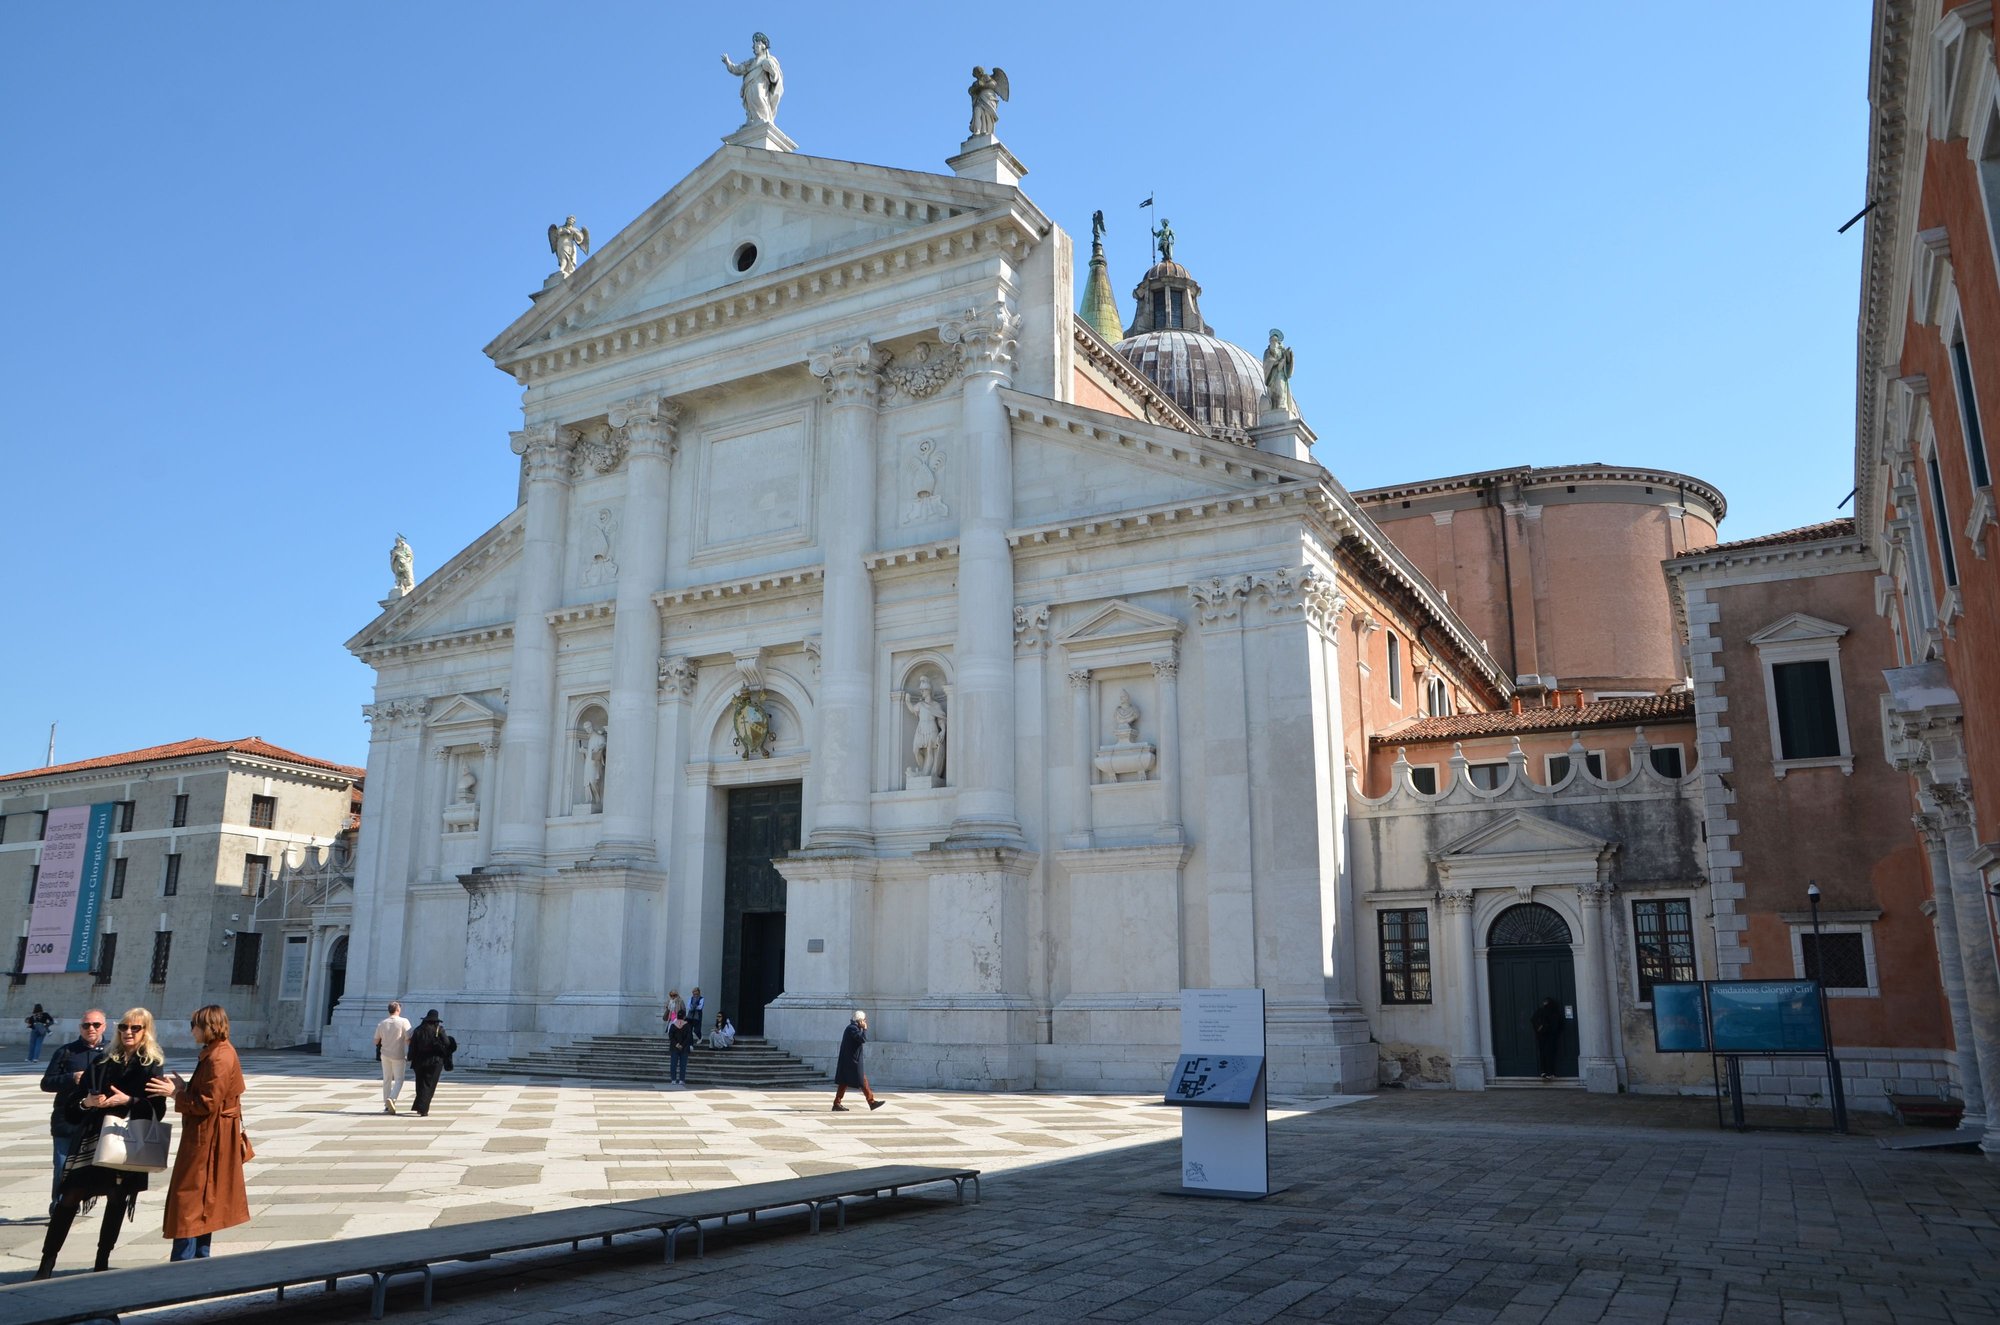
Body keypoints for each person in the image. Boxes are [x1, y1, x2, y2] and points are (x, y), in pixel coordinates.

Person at [35, 1007, 170, 1278]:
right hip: (92, 1138)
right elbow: (73, 1107)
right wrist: (87, 1102)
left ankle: (101, 1261)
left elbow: (158, 1110)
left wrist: (128, 1101)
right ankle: (46, 1263)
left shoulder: (151, 1066)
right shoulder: (103, 1061)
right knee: (69, 1197)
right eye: (123, 1027)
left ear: (146, 1032)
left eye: (135, 1028)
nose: (128, 1032)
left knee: (117, 1198)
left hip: (125, 1140)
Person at [148, 1005, 251, 1261]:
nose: (191, 1031)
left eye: (193, 1025)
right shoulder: (216, 1052)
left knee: (189, 1199)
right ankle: (199, 1258)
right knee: (202, 1201)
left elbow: (207, 1103)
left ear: (207, 1027)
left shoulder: (219, 1057)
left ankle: (183, 1263)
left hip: (208, 1139)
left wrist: (175, 1094)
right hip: (209, 1136)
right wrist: (185, 1087)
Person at [40, 1009, 108, 1207]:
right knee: (62, 1165)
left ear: (104, 1026)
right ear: (80, 1028)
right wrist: (71, 1078)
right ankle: (60, 1204)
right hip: (67, 1118)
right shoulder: (66, 1051)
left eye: (96, 1025)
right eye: (86, 1025)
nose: (91, 1029)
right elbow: (47, 1083)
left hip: (96, 1118)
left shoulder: (111, 1052)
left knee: (92, 1165)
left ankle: (81, 1198)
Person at [721, 33, 783, 127]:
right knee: (751, 103)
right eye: (754, 45)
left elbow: (776, 76)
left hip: (760, 85)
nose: (754, 47)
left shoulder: (769, 59)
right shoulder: (750, 62)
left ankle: (764, 118)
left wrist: (770, 68)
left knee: (759, 97)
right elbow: (738, 69)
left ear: (764, 46)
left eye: (757, 45)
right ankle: (752, 120)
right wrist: (728, 63)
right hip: (748, 86)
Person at [407, 1010, 457, 1118]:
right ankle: (423, 1109)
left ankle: (419, 1106)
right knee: (429, 1085)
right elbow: (447, 1043)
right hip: (435, 1061)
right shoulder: (439, 1030)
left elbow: (412, 1046)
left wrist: (410, 1057)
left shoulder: (418, 1030)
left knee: (420, 1084)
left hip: (419, 1061)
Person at [830, 1010, 883, 1112]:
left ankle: (837, 1103)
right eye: (864, 1020)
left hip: (849, 1061)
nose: (865, 1021)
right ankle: (871, 1102)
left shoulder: (852, 1028)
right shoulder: (852, 1029)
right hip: (852, 1062)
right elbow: (862, 1039)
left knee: (844, 1082)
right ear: (860, 1020)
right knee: (862, 1081)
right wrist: (865, 1029)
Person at [373, 1001, 412, 1115]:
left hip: (385, 1054)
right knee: (399, 1079)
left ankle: (386, 1104)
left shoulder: (382, 1023)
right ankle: (392, 1098)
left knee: (387, 1079)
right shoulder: (404, 1022)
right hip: (398, 1054)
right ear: (398, 1010)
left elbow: (376, 1041)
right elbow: (408, 1039)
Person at [1530, 997, 1564, 1082]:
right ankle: (1549, 1072)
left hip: (1543, 1037)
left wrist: (1539, 1029)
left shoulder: (1541, 1011)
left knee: (1544, 1054)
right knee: (1549, 1055)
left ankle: (1545, 1072)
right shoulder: (1554, 1012)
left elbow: (1533, 1019)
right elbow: (1559, 1024)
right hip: (1549, 1037)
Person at [666, 1014, 693, 1089]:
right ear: (684, 1017)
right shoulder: (687, 1026)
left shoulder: (673, 1025)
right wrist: (682, 1045)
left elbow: (671, 1036)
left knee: (673, 1064)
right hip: (684, 1048)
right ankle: (681, 1079)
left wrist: (676, 1044)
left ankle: (673, 1080)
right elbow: (688, 1037)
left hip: (674, 1047)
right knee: (683, 1065)